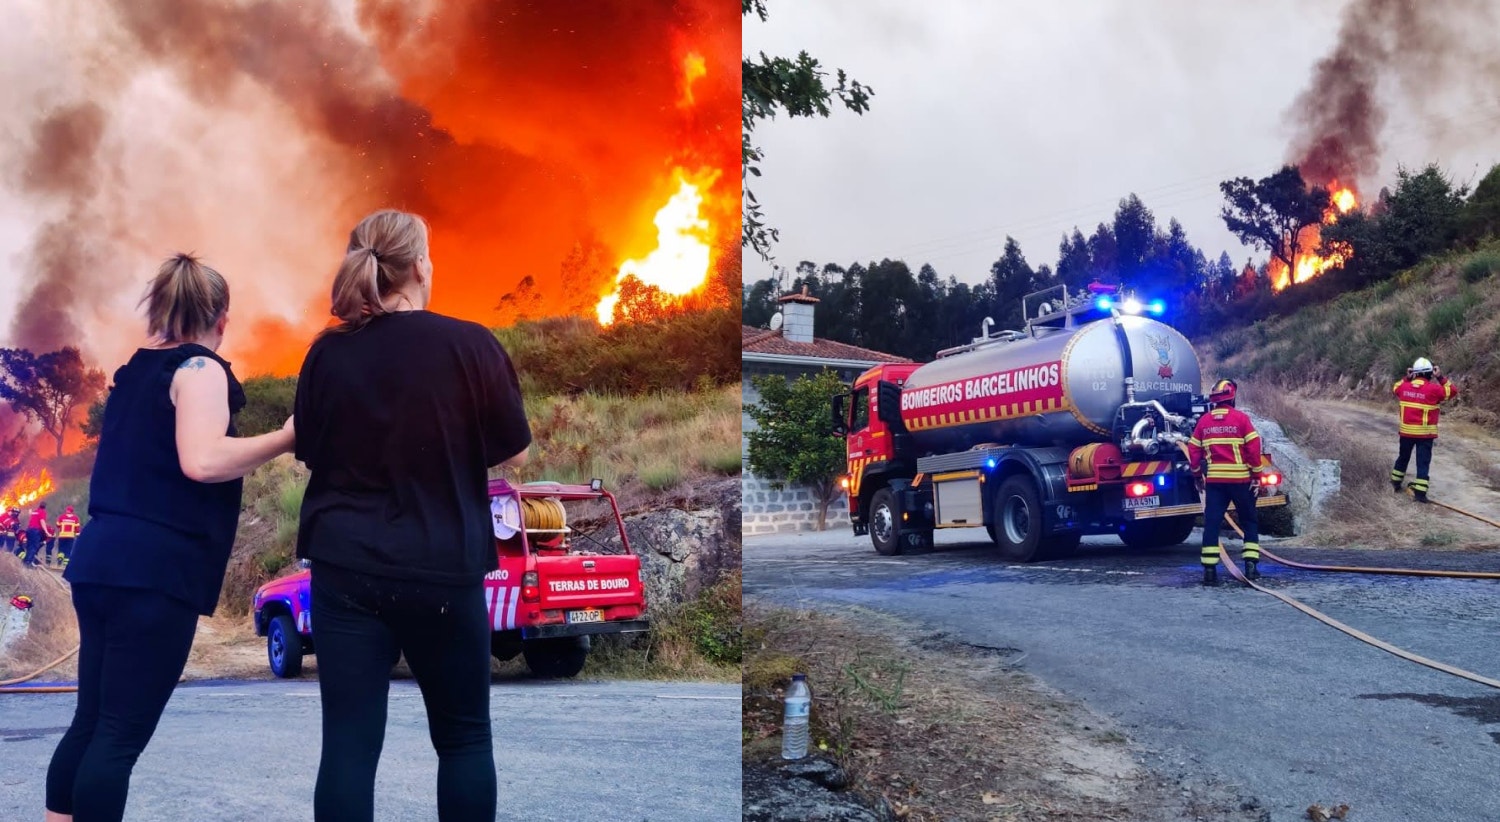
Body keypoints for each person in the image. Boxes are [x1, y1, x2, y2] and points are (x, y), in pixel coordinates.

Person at [294, 209, 531, 822]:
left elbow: (309, 450)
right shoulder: (471, 344)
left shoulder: (326, 355)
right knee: (464, 740)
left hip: (345, 569)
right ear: (422, 264)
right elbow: (514, 447)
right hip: (443, 568)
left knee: (348, 747)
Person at [43, 254, 294, 822]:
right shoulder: (201, 371)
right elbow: (202, 461)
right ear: (222, 318)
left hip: (101, 562)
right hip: (153, 576)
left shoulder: (136, 371)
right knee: (117, 737)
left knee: (91, 722)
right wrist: (284, 438)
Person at [1188, 378, 1266, 585]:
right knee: (1249, 521)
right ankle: (1250, 567)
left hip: (1215, 483)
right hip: (1241, 481)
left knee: (1212, 524)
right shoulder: (1241, 419)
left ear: (1214, 400)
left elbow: (1193, 450)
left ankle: (1210, 572)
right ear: (1232, 398)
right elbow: (1253, 448)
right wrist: (1257, 476)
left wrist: (1197, 475)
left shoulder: (1203, 422)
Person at [1391, 357, 1459, 503]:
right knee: (1422, 463)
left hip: (1406, 433)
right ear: (1430, 373)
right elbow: (1452, 391)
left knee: (1403, 458)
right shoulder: (1434, 390)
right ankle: (1420, 495)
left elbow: (1395, 387)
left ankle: (1395, 484)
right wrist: (1440, 377)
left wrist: (1406, 377)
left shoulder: (1404, 387)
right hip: (1425, 435)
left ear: (1414, 373)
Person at [23, 501, 55, 567]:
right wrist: (46, 532)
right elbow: (42, 521)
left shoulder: (35, 511)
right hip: (35, 530)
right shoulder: (42, 512)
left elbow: (31, 516)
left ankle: (25, 561)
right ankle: (28, 562)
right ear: (45, 507)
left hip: (29, 530)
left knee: (30, 546)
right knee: (34, 547)